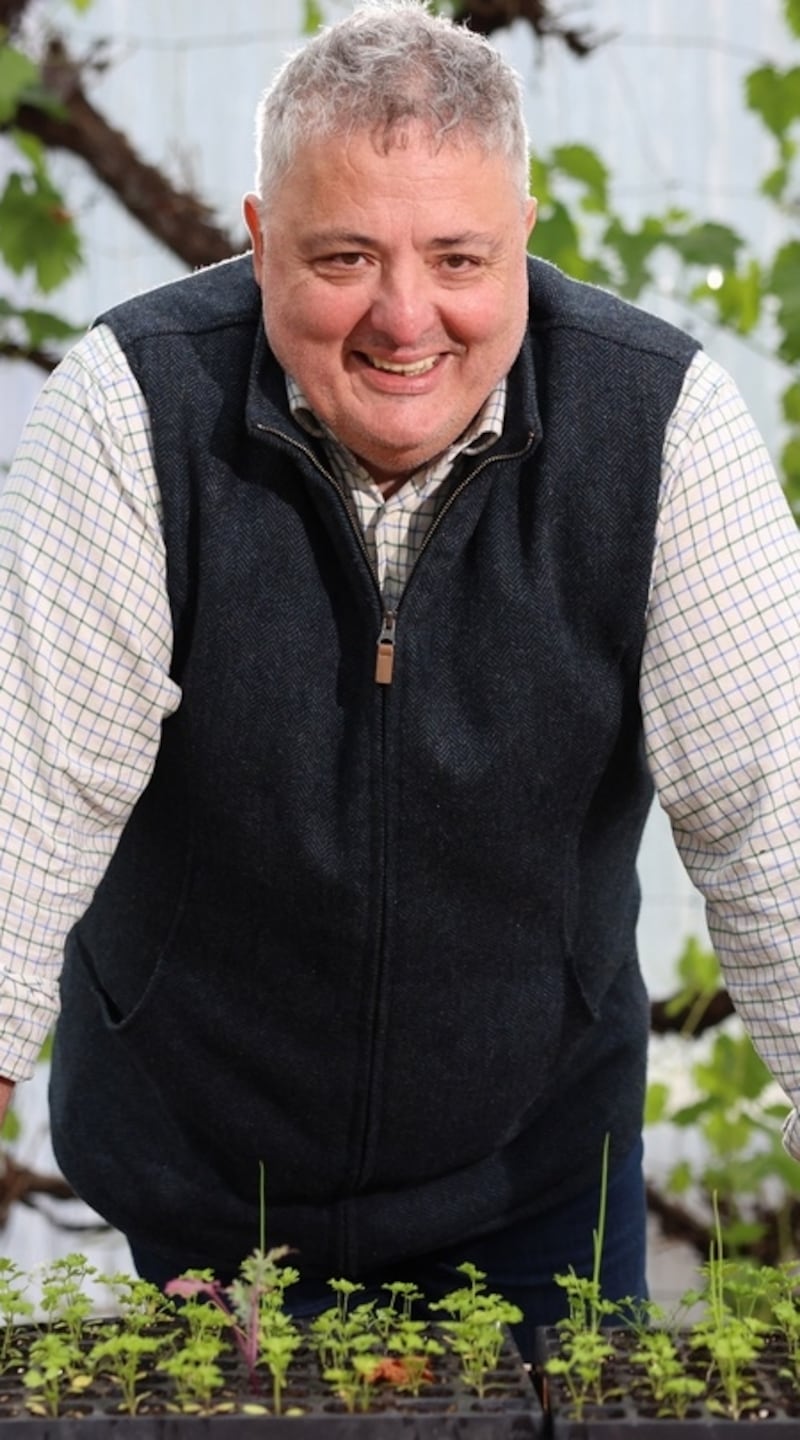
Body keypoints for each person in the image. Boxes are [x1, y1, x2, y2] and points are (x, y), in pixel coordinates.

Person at [0, 0, 799, 1359]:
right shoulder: (129, 408)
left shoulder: (663, 426)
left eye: (459, 256)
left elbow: (773, 817)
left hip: (534, 1178)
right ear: (256, 244)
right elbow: (29, 799)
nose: (404, 316)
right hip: (205, 1185)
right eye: (344, 255)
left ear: (526, 240)